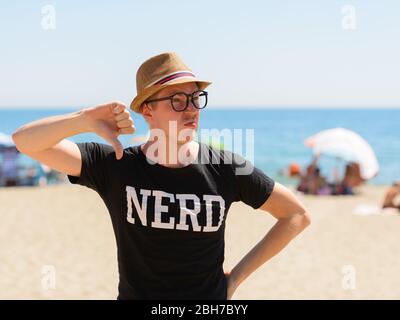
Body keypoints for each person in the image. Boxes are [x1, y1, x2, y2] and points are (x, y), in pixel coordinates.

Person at [12, 52, 311, 300]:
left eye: (196, 98)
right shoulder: (117, 164)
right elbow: (25, 141)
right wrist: (84, 120)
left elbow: (296, 215)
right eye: (177, 100)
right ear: (147, 110)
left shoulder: (226, 168)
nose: (191, 109)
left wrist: (235, 279)